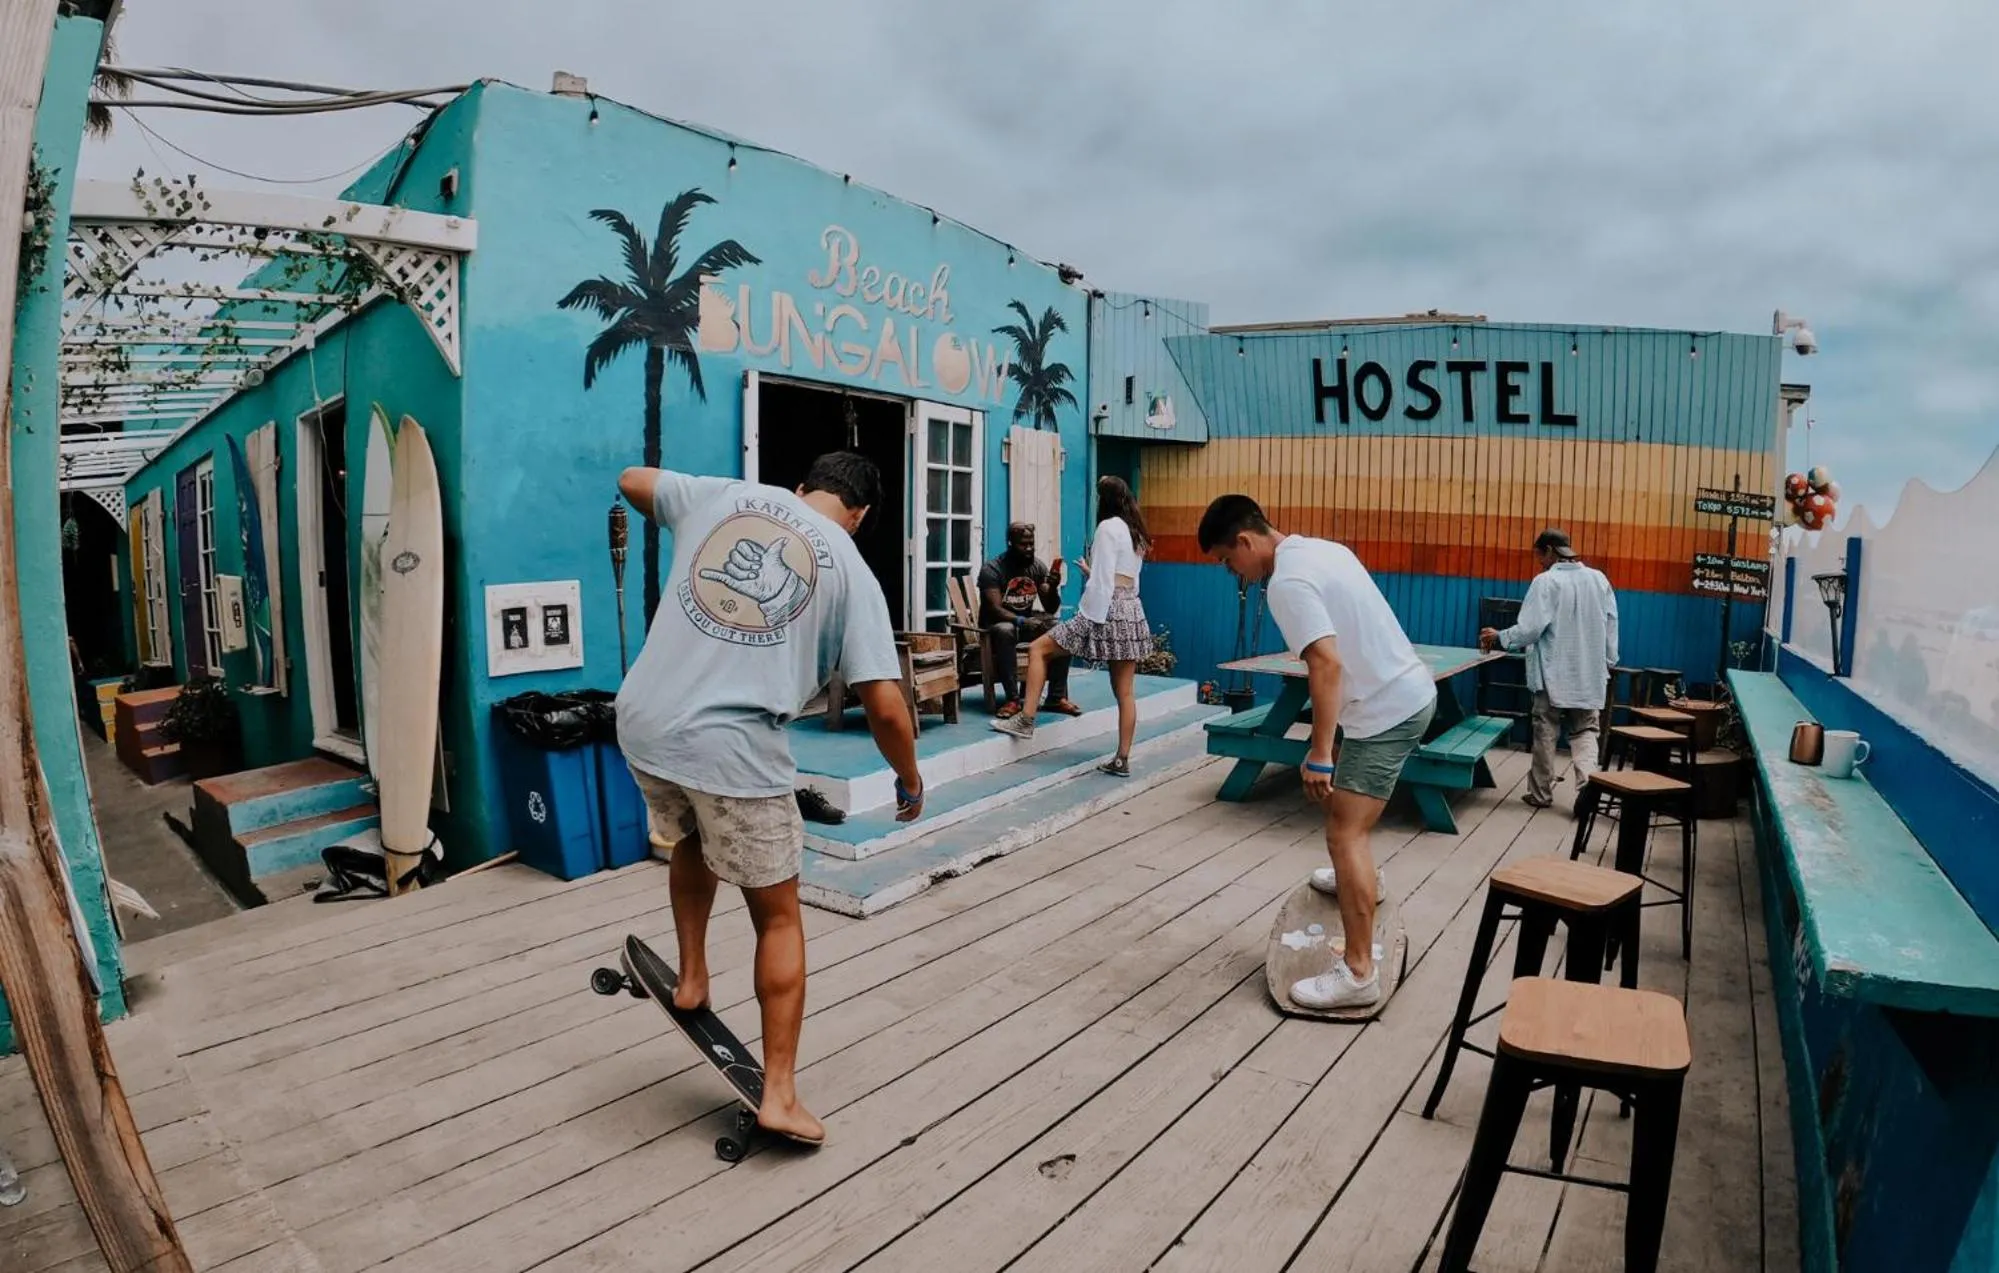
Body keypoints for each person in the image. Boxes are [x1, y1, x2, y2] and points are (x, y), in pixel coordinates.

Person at [615, 451, 925, 1147]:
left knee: (695, 837)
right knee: (779, 918)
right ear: (860, 514)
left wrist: (709, 502)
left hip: (644, 725)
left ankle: (692, 977)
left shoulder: (724, 495)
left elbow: (632, 480)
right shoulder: (851, 570)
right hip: (730, 748)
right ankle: (779, 1096)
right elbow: (885, 705)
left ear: (801, 486)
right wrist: (908, 777)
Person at [1197, 494, 1436, 1013]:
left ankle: (1358, 974)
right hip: (1405, 690)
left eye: (1227, 560)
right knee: (1347, 819)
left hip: (1385, 711)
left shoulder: (1287, 582)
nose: (1233, 573)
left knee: (1344, 834)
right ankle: (1360, 882)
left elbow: (1325, 665)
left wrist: (1320, 750)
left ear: (1245, 541)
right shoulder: (1323, 549)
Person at [991, 476, 1152, 778]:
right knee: (1125, 692)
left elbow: (1103, 584)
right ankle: (1122, 759)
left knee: (1038, 649)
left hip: (1104, 609)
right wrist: (1094, 573)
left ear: (1104, 500)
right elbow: (1125, 579)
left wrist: (1085, 616)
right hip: (1131, 608)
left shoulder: (1107, 528)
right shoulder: (1136, 533)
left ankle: (1025, 720)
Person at [1479, 527, 1619, 812]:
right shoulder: (1599, 579)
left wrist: (1500, 637)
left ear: (1550, 552)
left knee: (1545, 730)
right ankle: (1587, 783)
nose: (1540, 562)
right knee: (1586, 730)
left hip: (1551, 672)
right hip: (1589, 673)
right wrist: (1608, 661)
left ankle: (1540, 793)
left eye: (1539, 556)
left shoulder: (1545, 582)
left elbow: (1530, 629)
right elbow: (1611, 625)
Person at [977, 522, 1082, 719]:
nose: (1028, 549)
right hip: (996, 627)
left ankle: (1056, 697)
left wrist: (1052, 587)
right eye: (1023, 544)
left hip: (1024, 624)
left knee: (1062, 630)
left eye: (1031, 544)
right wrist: (1020, 621)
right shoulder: (992, 569)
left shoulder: (1037, 567)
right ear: (1010, 543)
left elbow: (1050, 607)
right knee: (1006, 629)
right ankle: (1013, 700)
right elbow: (994, 609)